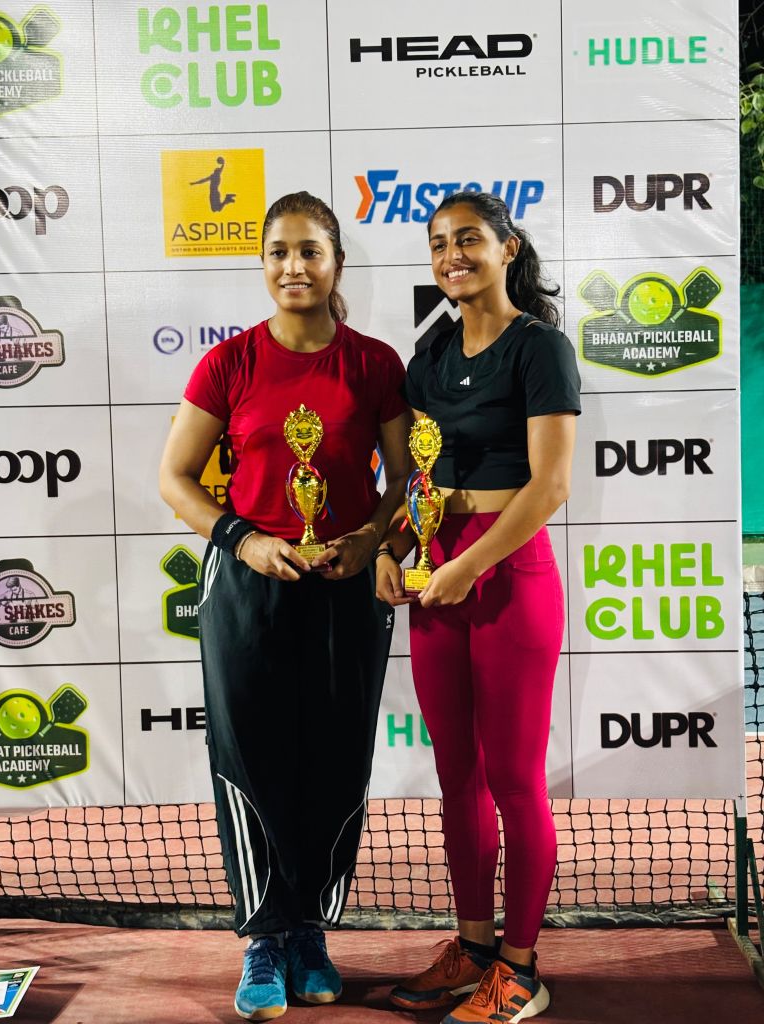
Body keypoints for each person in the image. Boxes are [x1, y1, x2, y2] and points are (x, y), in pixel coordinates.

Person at [159, 191, 409, 1022]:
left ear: (336, 262)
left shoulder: (375, 364)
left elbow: (405, 482)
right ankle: (264, 937)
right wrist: (244, 540)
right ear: (262, 262)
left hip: (346, 586)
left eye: (309, 251)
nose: (293, 267)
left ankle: (310, 930)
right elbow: (175, 479)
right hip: (247, 588)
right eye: (278, 252)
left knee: (335, 757)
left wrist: (369, 539)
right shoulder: (228, 363)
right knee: (252, 757)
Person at [376, 191, 580, 1024]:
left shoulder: (541, 348)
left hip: (507, 571)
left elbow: (550, 485)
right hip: (440, 573)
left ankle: (521, 970)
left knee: (515, 781)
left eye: (467, 240)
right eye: (438, 244)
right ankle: (473, 949)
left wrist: (470, 563)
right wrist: (393, 550)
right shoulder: (429, 354)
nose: (451, 256)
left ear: (507, 248)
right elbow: (417, 481)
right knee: (457, 776)